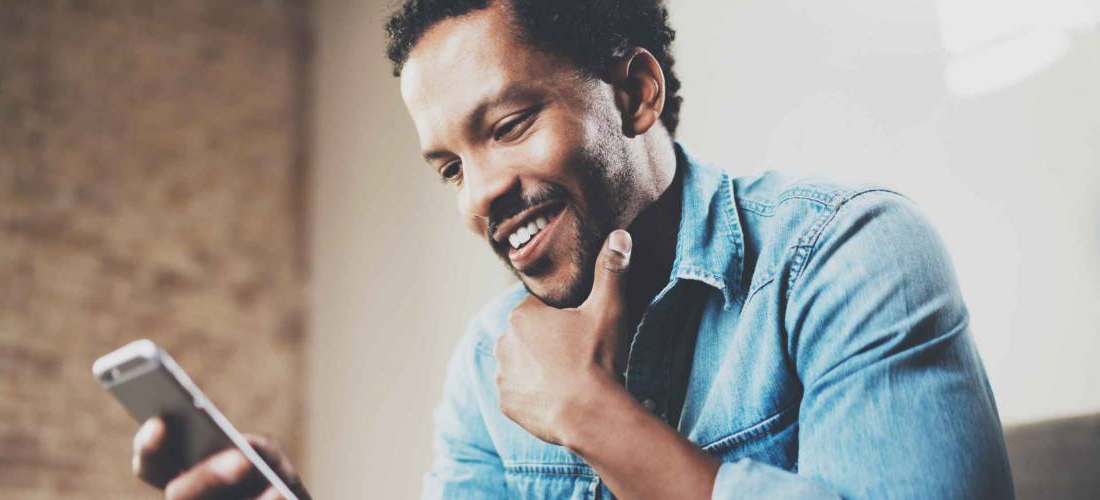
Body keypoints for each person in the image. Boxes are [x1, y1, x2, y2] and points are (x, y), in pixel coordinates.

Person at [132, 1, 1016, 498]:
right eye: (448, 168)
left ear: (635, 93)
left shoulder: (848, 257)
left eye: (509, 126)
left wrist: (593, 420)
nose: (479, 196)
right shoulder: (488, 365)